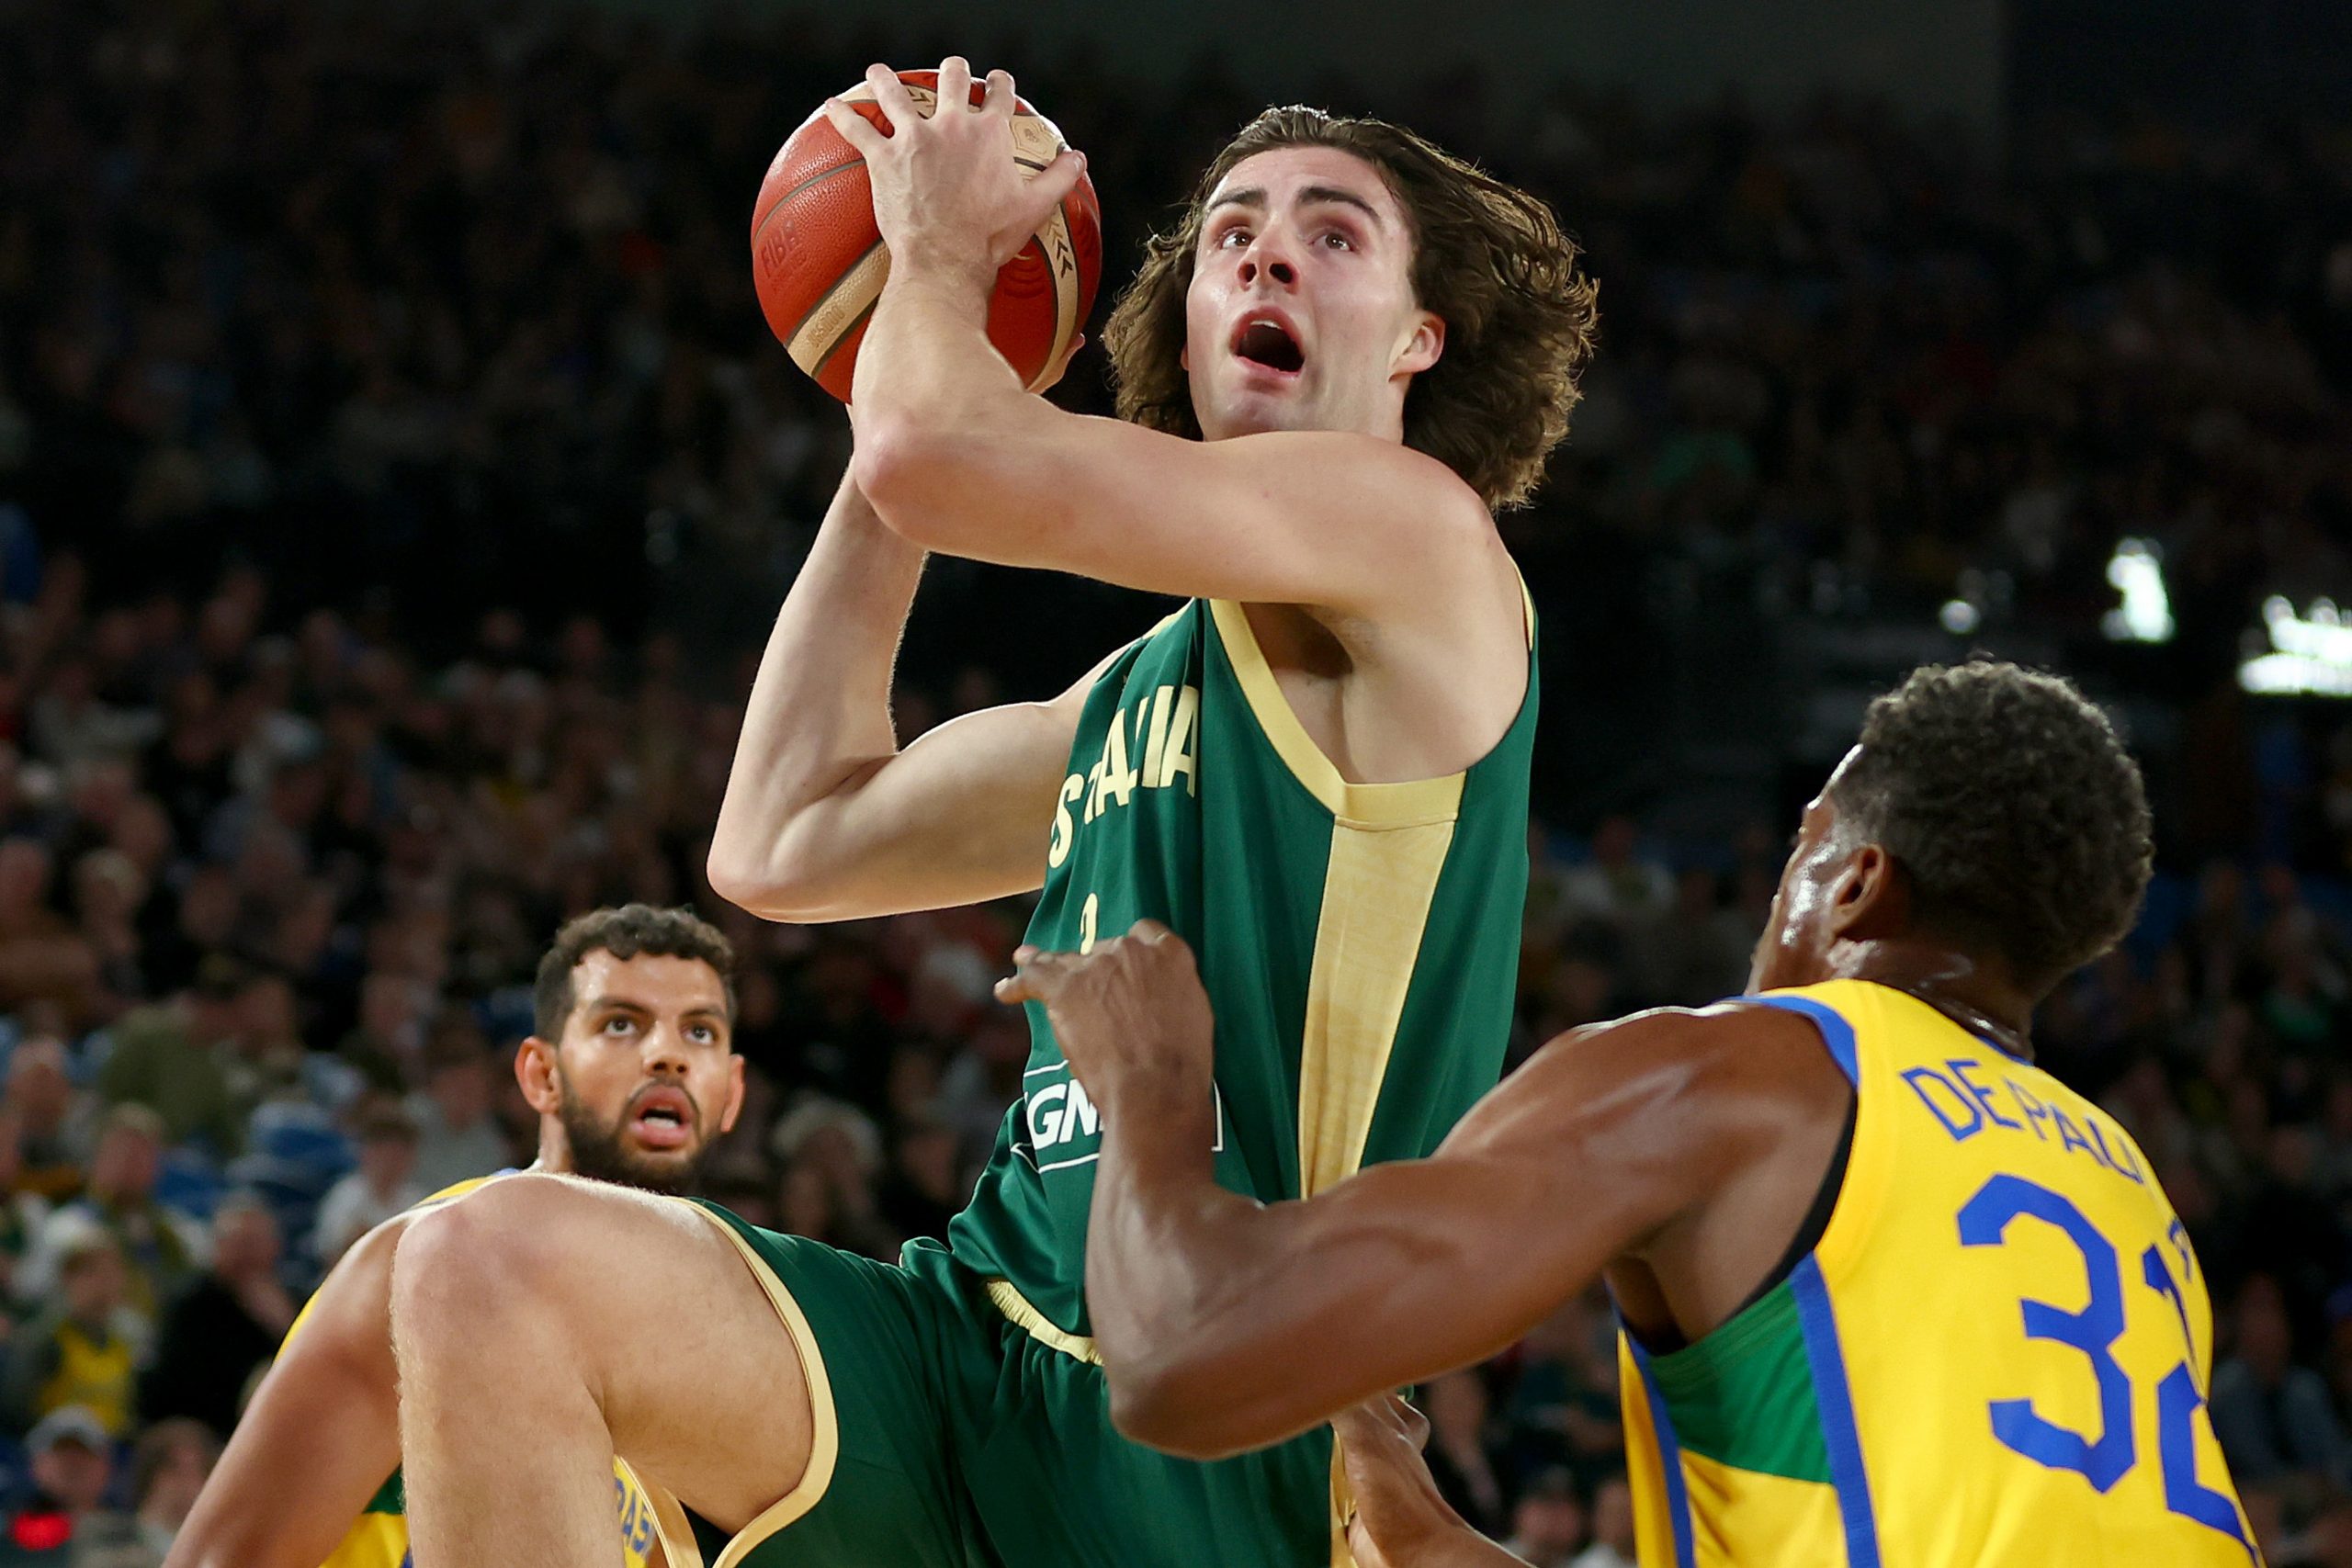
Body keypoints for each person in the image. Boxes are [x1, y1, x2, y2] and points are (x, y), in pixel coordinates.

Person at [391, 60, 1595, 1568]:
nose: (1265, 251)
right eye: (1229, 234)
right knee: (479, 1262)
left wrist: (941, 274)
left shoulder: (1427, 541)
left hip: (1228, 1417)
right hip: (976, 1344)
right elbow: (784, 835)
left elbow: (939, 459)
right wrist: (894, 354)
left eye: (1334, 233)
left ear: (1424, 339)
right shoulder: (1136, 697)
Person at [1002, 661, 2260, 1565]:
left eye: (1800, 849)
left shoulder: (1740, 1077)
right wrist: (1423, 1522)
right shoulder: (2131, 1203)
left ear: (1857, 881)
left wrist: (1154, 1086)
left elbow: (1185, 1357)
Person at [164, 903, 746, 1568]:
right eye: (621, 1023)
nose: (667, 1054)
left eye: (699, 1031)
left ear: (730, 1092)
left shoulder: (686, 1346)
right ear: (540, 1074)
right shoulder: (424, 1270)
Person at [139, 1193, 297, 1438]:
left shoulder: (294, 1303)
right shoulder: (190, 1307)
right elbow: (173, 1391)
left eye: (254, 1243)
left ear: (275, 1247)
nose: (246, 1255)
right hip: (207, 1437)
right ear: (217, 1247)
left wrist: (285, 1326)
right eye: (237, 1243)